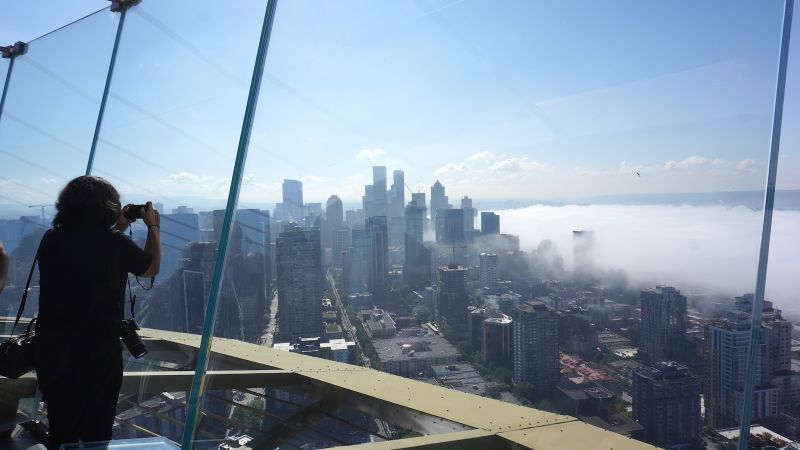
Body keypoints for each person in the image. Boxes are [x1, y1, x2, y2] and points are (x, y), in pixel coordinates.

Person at [35, 176, 160, 449]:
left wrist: (121, 225)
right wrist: (152, 225)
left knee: (62, 428)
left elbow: (86, 245)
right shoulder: (114, 245)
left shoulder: (50, 239)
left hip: (52, 351)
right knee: (97, 432)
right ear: (107, 208)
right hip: (97, 354)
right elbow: (150, 268)